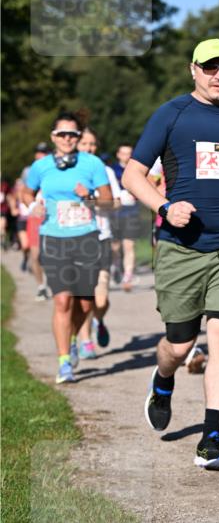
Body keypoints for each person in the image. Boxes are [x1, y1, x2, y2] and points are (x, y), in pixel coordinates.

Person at [122, 38, 219, 470]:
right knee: (180, 343)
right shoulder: (173, 115)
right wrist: (165, 207)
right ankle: (163, 378)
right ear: (193, 70)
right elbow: (134, 175)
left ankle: (211, 439)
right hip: (181, 249)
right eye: (210, 68)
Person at [22, 112, 112, 383]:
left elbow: (108, 200)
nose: (67, 139)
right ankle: (64, 363)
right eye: (62, 134)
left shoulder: (92, 163)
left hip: (85, 238)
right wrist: (32, 205)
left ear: (78, 136)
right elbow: (26, 192)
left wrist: (91, 196)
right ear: (53, 137)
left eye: (72, 134)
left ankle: (73, 338)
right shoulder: (41, 167)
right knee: (62, 300)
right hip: (53, 237)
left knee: (84, 305)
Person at [75, 128, 121, 356]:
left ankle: (98, 321)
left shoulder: (105, 172)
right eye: (84, 143)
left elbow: (116, 203)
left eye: (92, 144)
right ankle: (85, 340)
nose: (89, 148)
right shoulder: (66, 172)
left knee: (100, 300)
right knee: (83, 295)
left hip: (102, 238)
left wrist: (90, 198)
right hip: (75, 240)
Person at [110, 142, 142, 291]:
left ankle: (128, 276)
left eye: (129, 153)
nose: (126, 156)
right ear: (118, 154)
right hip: (114, 213)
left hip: (131, 212)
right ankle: (116, 267)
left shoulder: (138, 169)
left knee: (129, 245)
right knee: (115, 246)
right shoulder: (111, 171)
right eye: (123, 153)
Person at [22, 142, 51, 300]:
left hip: (54, 215)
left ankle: (53, 281)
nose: (42, 156)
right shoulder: (29, 171)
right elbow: (24, 192)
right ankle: (41, 286)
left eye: (45, 153)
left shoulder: (56, 168)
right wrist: (32, 205)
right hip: (36, 217)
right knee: (36, 254)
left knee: (53, 254)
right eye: (39, 153)